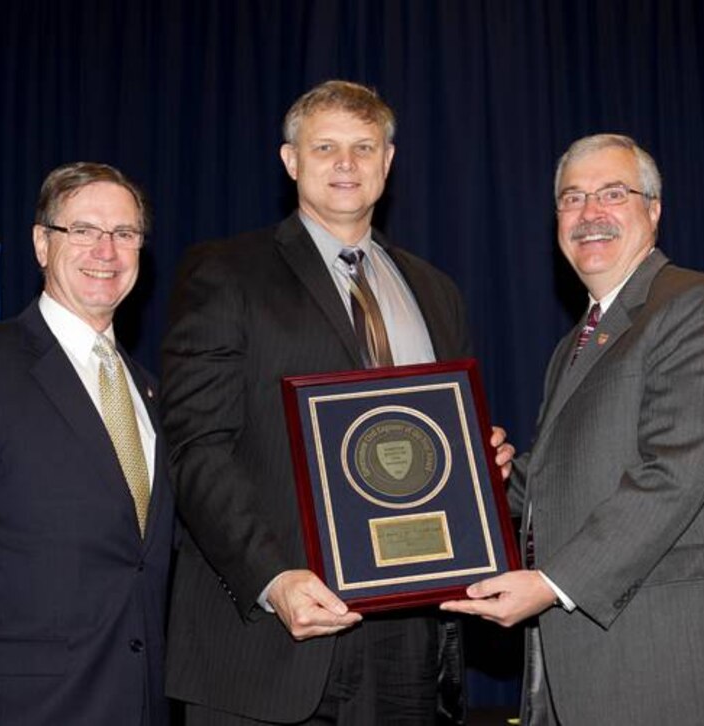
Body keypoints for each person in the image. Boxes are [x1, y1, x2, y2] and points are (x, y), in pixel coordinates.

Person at [160, 80, 473, 724]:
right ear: (290, 160)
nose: (346, 164)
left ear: (388, 162)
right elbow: (196, 447)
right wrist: (273, 579)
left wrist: (475, 461)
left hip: (407, 643)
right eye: (325, 146)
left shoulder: (436, 291)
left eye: (364, 147)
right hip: (268, 642)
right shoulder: (227, 271)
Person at [442, 133, 704, 724]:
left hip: (664, 668)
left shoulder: (696, 306)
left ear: (654, 210)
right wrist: (490, 473)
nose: (589, 214)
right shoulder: (577, 341)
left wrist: (551, 583)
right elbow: (563, 484)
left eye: (612, 193)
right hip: (580, 667)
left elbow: (673, 475)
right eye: (572, 198)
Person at [0, 162, 174, 725]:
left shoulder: (148, 390)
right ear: (42, 243)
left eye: (124, 233)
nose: (107, 250)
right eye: (84, 230)